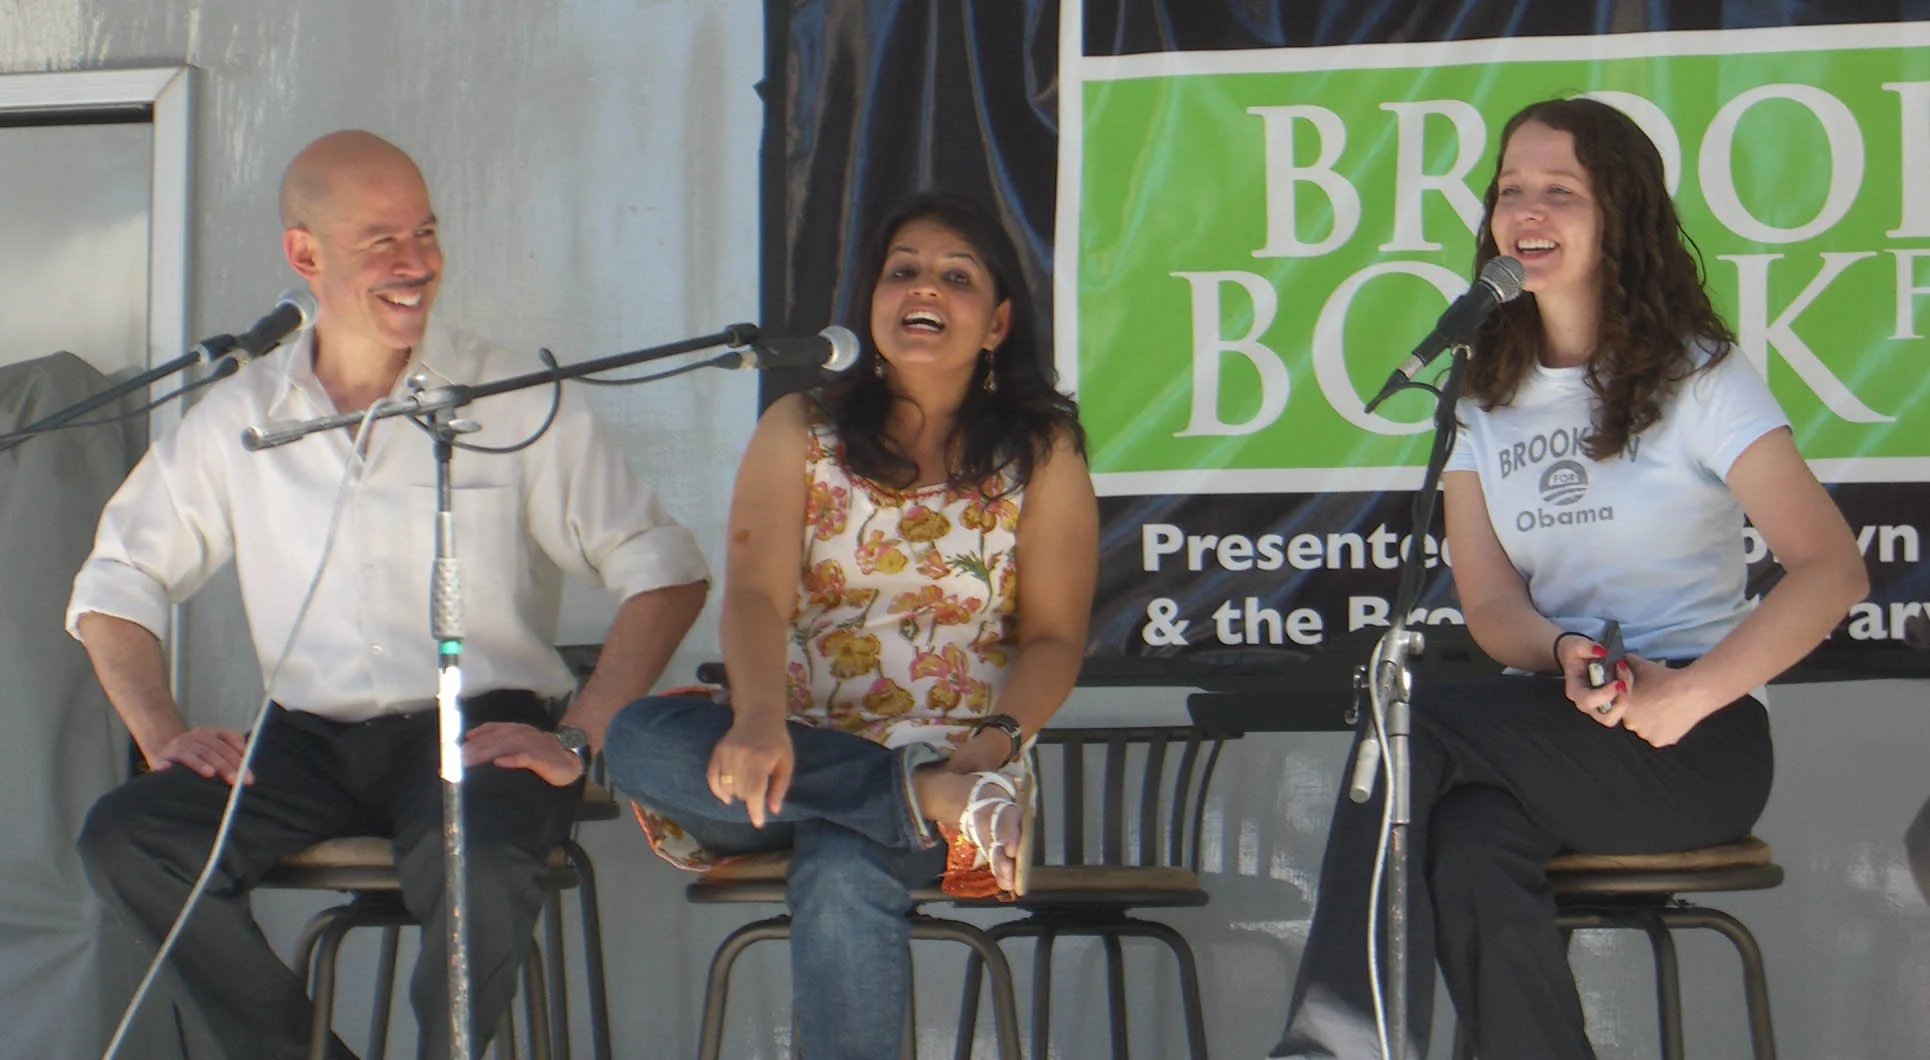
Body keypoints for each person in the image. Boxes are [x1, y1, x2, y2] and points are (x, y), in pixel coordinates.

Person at [72, 130, 710, 1060]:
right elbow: (113, 583)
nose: (418, 264)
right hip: (303, 739)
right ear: (305, 255)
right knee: (128, 841)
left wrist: (581, 730)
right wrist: (161, 732)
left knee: (480, 861)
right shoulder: (242, 414)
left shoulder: (511, 394)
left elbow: (664, 567)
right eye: (383, 241)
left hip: (476, 728)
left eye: (427, 233)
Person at [1272, 97, 1868, 1059]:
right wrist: (1560, 648)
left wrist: (1689, 696)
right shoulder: (1480, 393)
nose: (1528, 210)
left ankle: (1335, 1042)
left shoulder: (1698, 376)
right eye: (1512, 190)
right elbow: (1494, 607)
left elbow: (1832, 570)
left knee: (1408, 718)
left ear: (1620, 216)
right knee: (1467, 849)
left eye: (1561, 190)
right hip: (1550, 719)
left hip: (1695, 743)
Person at [601, 190, 1098, 1059]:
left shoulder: (1042, 452)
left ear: (998, 323)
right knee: (637, 734)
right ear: (872, 301)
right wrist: (756, 719)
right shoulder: (801, 428)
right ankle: (910, 793)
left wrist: (985, 752)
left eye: (956, 276)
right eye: (902, 271)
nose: (924, 289)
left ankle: (921, 794)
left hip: (970, 769)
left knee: (841, 857)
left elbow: (1055, 639)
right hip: (784, 756)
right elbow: (754, 597)